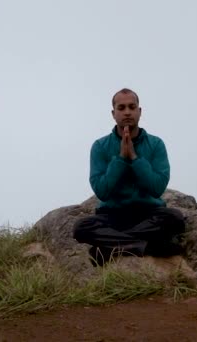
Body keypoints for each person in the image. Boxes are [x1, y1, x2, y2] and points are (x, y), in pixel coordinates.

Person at [73, 88, 185, 265]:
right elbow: (102, 191)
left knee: (175, 219)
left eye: (132, 107)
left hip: (148, 213)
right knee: (81, 228)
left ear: (139, 112)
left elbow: (157, 189)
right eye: (121, 107)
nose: (127, 112)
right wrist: (120, 160)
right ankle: (148, 246)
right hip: (112, 216)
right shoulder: (100, 146)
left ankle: (113, 247)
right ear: (113, 113)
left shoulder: (155, 144)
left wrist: (134, 158)